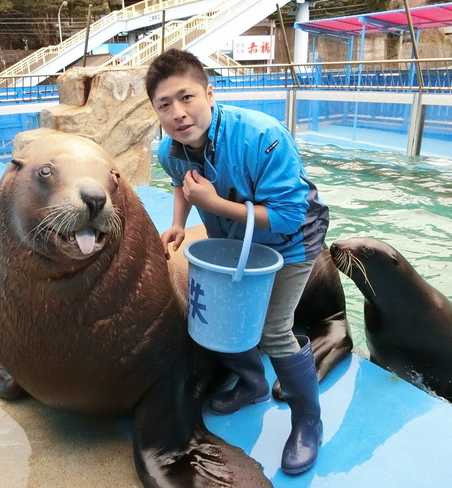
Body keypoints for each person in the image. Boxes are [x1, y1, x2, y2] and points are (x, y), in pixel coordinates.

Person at [145, 49, 329, 475]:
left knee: (272, 328)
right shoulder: (170, 149)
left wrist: (214, 204)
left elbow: (287, 214)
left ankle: (308, 421)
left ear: (210, 93)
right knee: (222, 315)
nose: (178, 113)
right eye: (164, 105)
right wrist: (177, 222)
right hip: (233, 237)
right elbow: (180, 182)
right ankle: (253, 383)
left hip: (292, 239)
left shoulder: (263, 136)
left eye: (186, 97)